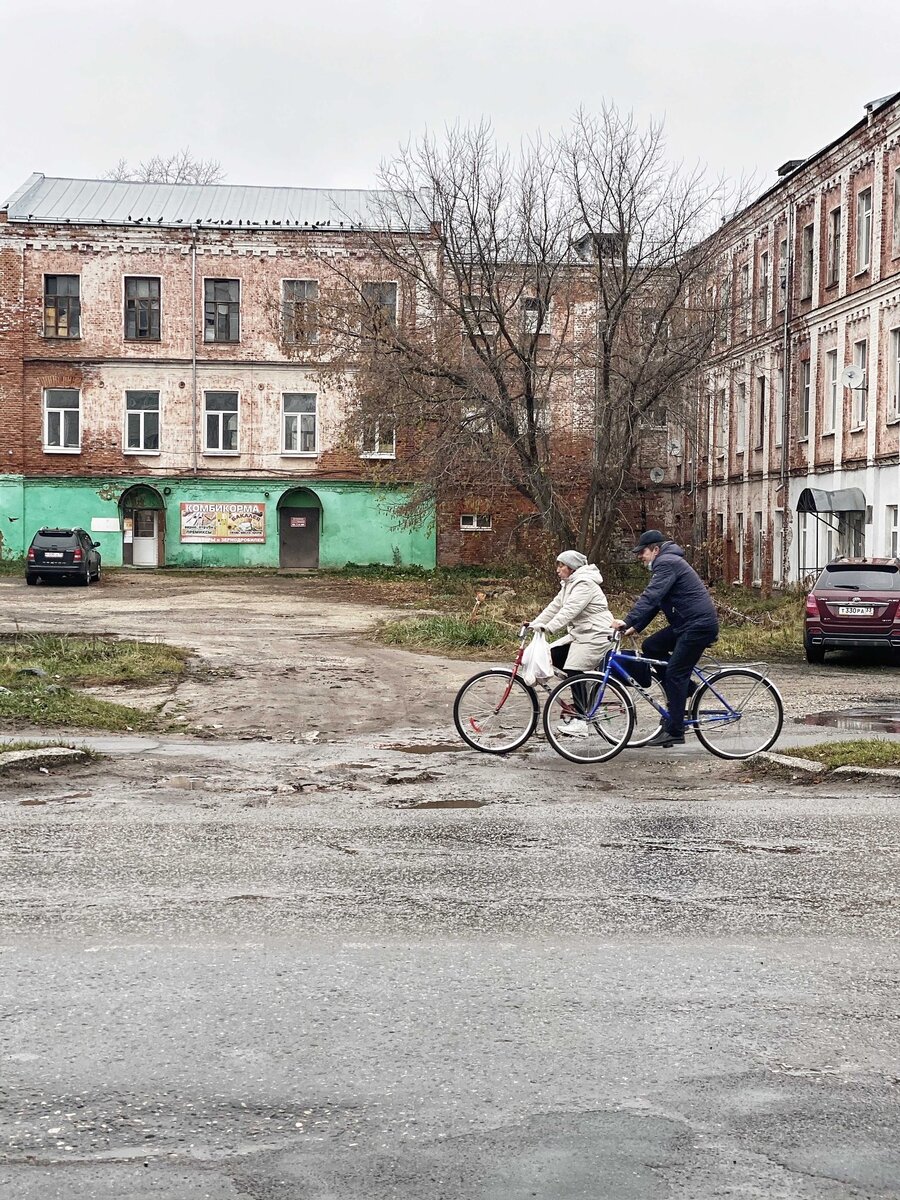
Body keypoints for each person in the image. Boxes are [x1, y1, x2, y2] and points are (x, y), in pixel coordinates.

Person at [612, 530, 719, 748]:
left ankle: (676, 730)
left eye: (642, 552)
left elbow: (651, 596)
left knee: (674, 674)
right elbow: (656, 602)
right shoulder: (667, 562)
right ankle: (686, 689)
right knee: (651, 646)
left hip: (697, 626)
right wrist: (635, 626)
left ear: (656, 549)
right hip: (686, 624)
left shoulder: (666, 562)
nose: (640, 556)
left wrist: (626, 620)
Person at [530, 550, 615, 737]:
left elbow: (569, 610)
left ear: (572, 567)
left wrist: (548, 628)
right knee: (551, 656)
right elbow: (555, 606)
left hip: (596, 634)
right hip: (582, 634)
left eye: (561, 565)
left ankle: (581, 721)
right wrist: (534, 624)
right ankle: (584, 689)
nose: (558, 569)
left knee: (574, 669)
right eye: (558, 565)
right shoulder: (569, 584)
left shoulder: (584, 583)